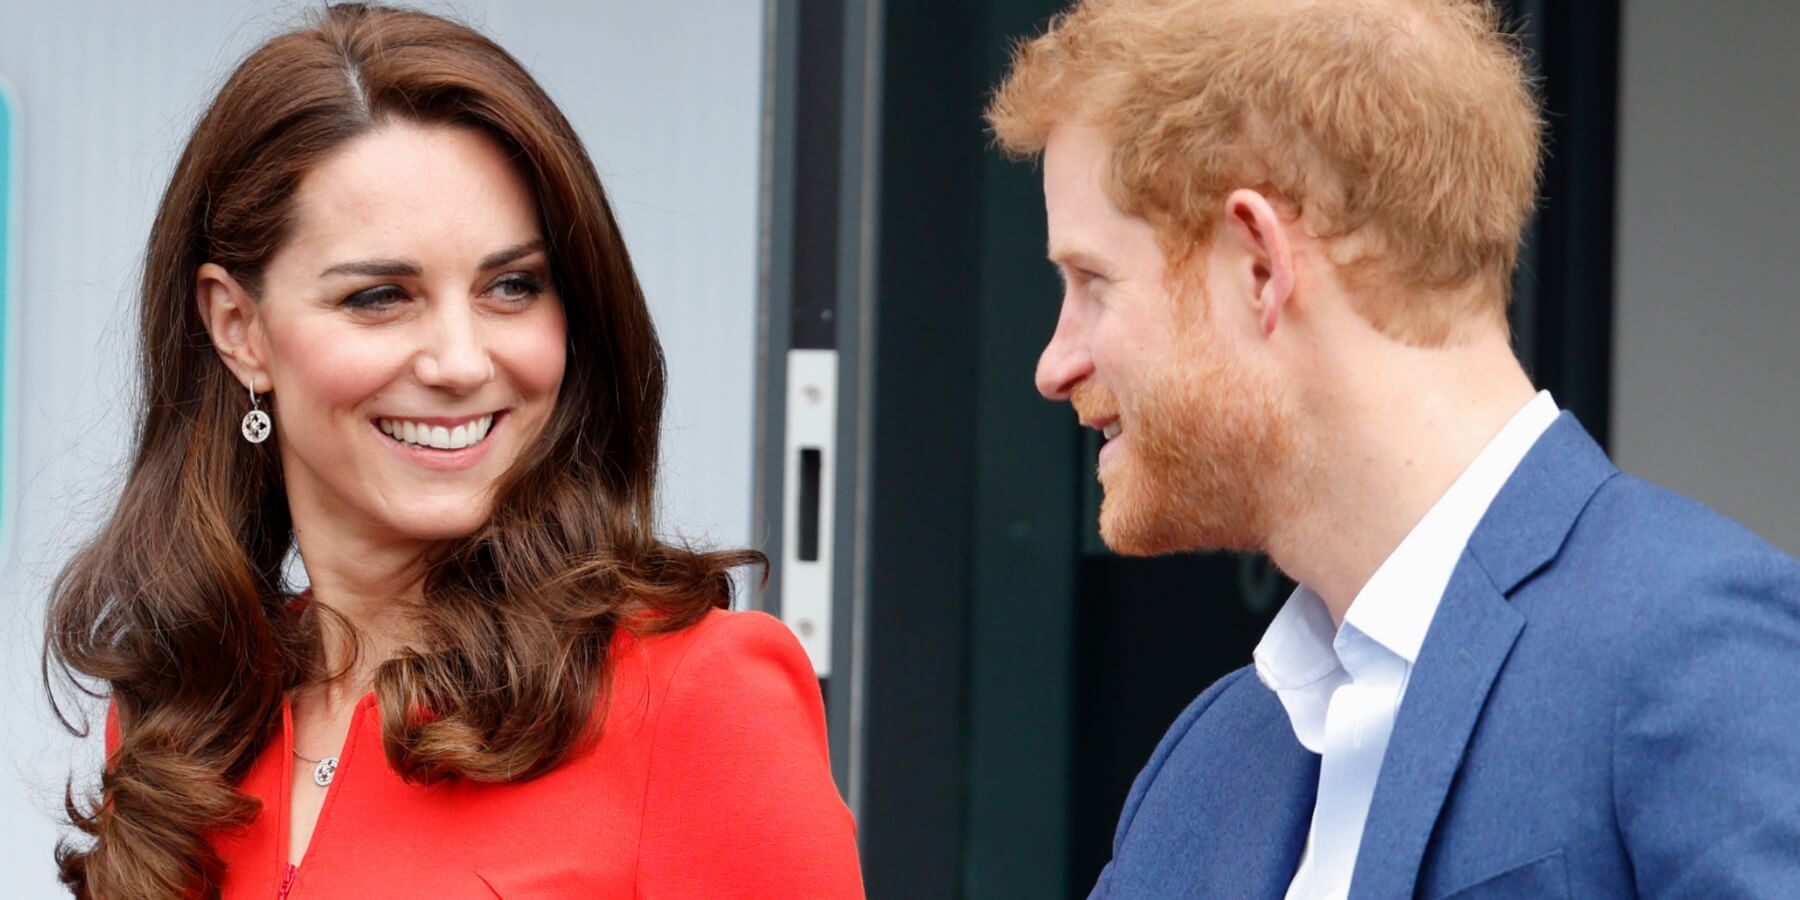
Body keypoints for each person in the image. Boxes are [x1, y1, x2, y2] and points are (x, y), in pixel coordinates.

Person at [43, 5, 863, 899]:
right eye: (380, 296)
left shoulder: (701, 698)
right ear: (238, 328)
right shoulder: (183, 718)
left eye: (512, 287)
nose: (463, 362)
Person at [987, 0, 1800, 897]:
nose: (1055, 364)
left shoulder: (1696, 651)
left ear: (1259, 263)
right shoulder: (1205, 770)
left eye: (1093, 282)